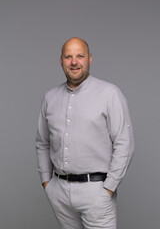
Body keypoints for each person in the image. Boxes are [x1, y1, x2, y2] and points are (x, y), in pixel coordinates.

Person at [36, 37, 134, 229]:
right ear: (61, 60)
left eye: (80, 56)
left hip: (96, 191)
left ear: (89, 59)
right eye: (68, 56)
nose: (74, 62)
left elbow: (125, 144)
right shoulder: (50, 97)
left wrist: (108, 189)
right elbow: (42, 142)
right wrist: (47, 183)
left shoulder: (110, 94)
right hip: (59, 191)